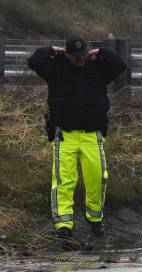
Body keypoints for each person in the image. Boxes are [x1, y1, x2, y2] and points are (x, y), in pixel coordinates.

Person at [28, 36, 126, 249]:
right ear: (68, 54)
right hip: (64, 135)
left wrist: (100, 51)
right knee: (63, 181)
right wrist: (53, 50)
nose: (81, 59)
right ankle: (64, 226)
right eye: (76, 56)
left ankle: (95, 218)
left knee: (98, 177)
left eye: (84, 55)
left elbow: (120, 64)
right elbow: (34, 61)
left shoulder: (98, 68)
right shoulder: (56, 68)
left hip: (92, 135)